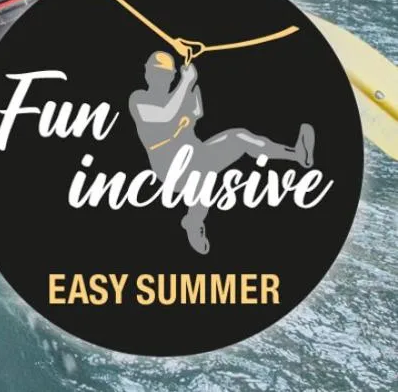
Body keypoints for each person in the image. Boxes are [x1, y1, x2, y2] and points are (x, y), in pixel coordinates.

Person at [130, 51, 315, 255]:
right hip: (170, 167)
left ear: (171, 76)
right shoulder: (138, 99)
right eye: (157, 73)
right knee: (202, 173)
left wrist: (191, 95)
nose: (160, 78)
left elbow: (195, 113)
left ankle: (296, 154)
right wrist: (186, 82)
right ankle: (194, 222)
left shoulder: (178, 97)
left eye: (165, 74)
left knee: (239, 137)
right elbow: (165, 114)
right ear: (147, 73)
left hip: (196, 152)